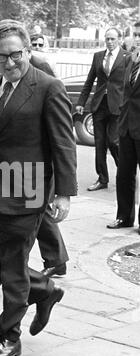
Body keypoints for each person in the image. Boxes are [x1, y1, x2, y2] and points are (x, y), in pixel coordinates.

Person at [0, 20, 77, 356]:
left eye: (15, 54)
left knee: (13, 265)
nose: (9, 62)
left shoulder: (48, 87)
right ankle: (45, 290)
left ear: (28, 50)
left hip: (28, 192)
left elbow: (63, 142)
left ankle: (7, 338)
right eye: (1, 57)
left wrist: (63, 192)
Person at [76, 28, 131, 192]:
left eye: (113, 39)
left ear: (119, 39)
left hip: (118, 106)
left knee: (113, 142)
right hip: (99, 105)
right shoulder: (98, 56)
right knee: (99, 144)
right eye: (107, 39)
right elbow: (90, 80)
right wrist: (81, 102)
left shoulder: (127, 58)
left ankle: (126, 176)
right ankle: (102, 179)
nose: (109, 42)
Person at [107, 22, 140, 231]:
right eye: (136, 35)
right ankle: (124, 217)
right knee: (124, 174)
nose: (138, 39)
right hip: (127, 127)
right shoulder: (133, 59)